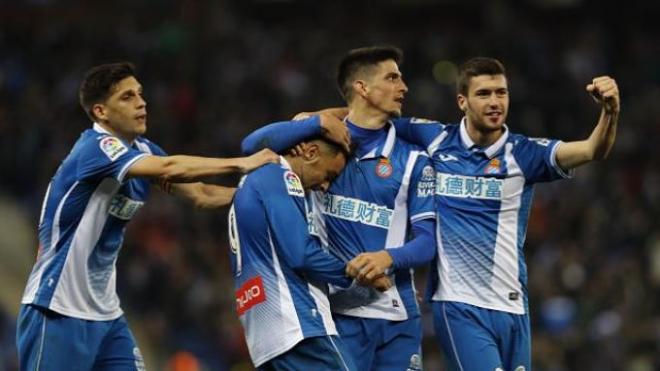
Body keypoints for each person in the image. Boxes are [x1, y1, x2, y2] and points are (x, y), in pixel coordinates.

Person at [16, 62, 278, 371]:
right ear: (101, 112)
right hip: (57, 309)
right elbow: (170, 169)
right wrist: (244, 163)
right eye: (127, 97)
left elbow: (201, 195)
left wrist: (269, 197)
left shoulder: (142, 149)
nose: (141, 102)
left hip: (106, 316)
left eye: (140, 94)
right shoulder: (95, 148)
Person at [388, 57, 619, 371]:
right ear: (462, 101)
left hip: (512, 306)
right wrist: (318, 120)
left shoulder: (524, 153)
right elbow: (370, 121)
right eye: (484, 94)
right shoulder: (436, 139)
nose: (495, 102)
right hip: (459, 305)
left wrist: (610, 111)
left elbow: (593, 150)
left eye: (501, 93)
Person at [241, 46, 437, 371]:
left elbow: (427, 242)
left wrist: (387, 258)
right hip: (335, 317)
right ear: (362, 87)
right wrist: (314, 122)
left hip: (396, 317)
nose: (403, 88)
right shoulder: (317, 143)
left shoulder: (414, 159)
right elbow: (251, 146)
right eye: (392, 78)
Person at [229, 132, 393, 370]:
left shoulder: (248, 184)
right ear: (311, 153)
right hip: (300, 327)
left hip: (263, 336)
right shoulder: (281, 175)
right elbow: (302, 255)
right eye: (329, 175)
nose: (325, 185)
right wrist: (357, 274)